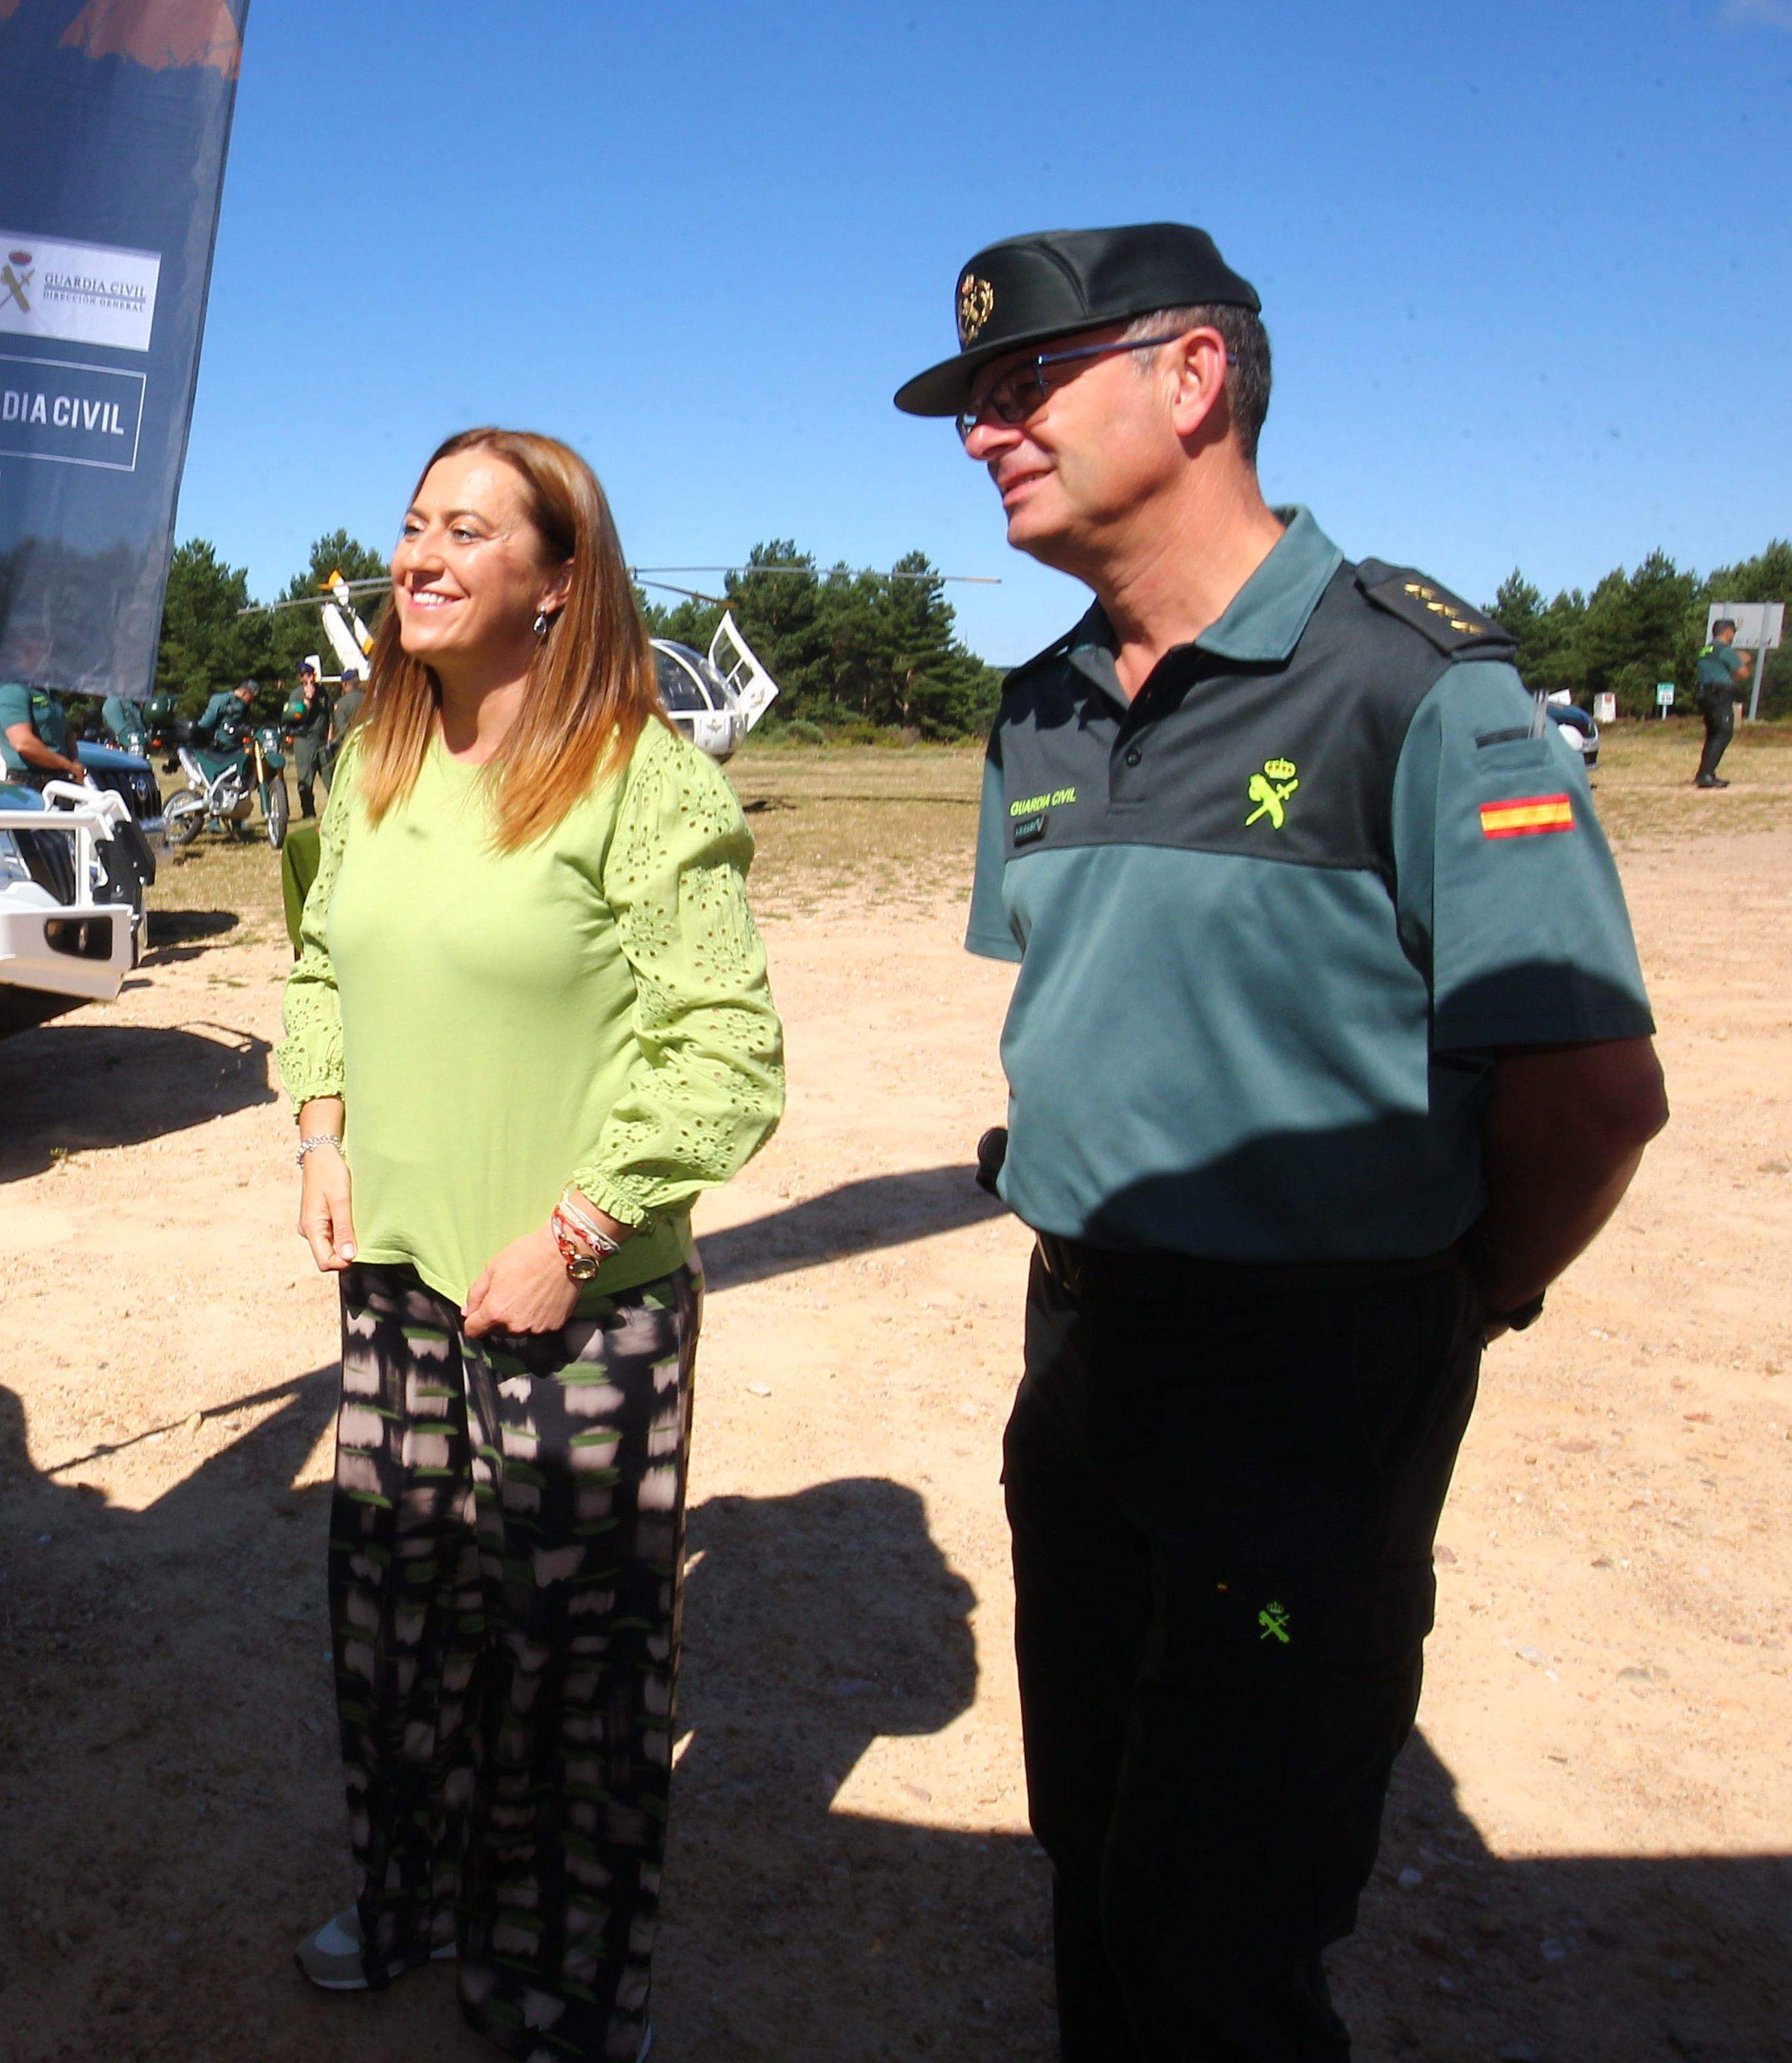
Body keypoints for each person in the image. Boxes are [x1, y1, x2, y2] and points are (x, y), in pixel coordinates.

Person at [897, 224, 1669, 2060]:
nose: (982, 432)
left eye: (1025, 387)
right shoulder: (1043, 708)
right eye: (970, 402)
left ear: (1193, 380)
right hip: (1080, 1349)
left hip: (1311, 1380)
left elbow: (1592, 1089)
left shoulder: (1416, 688)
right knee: (1090, 1844)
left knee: (1224, 1916)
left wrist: (1452, 1300)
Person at [279, 427, 785, 2063]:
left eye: (467, 532)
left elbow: (724, 1050)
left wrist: (573, 1232)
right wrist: (320, 1131)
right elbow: (314, 966)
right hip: (398, 1296)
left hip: (576, 1314)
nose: (417, 556)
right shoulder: (370, 758)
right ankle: (416, 1895)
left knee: (571, 1673)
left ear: (556, 583)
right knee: (398, 1631)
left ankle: (568, 1985)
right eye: (412, 526)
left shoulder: (645, 778)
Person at [0, 675, 89, 787]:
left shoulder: (48, 691)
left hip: (61, 779)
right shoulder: (11, 690)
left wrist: (75, 764)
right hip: (27, 782)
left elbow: (67, 733)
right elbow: (24, 744)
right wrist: (68, 766)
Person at [280, 656, 331, 819]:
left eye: (309, 674)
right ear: (300, 678)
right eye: (303, 675)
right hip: (304, 742)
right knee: (305, 779)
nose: (307, 677)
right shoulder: (296, 695)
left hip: (322, 741)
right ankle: (308, 812)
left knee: (330, 777)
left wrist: (330, 737)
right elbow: (297, 719)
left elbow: (329, 716)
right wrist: (308, 699)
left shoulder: (323, 693)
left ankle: (336, 810)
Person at [1694, 620, 1743, 787]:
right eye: (1733, 632)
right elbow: (1742, 673)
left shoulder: (1706, 649)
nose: (1733, 636)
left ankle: (1704, 772)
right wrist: (1743, 661)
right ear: (1728, 632)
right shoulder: (1725, 650)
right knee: (1724, 732)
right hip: (1719, 694)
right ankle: (1706, 775)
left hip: (1704, 693)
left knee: (1713, 733)